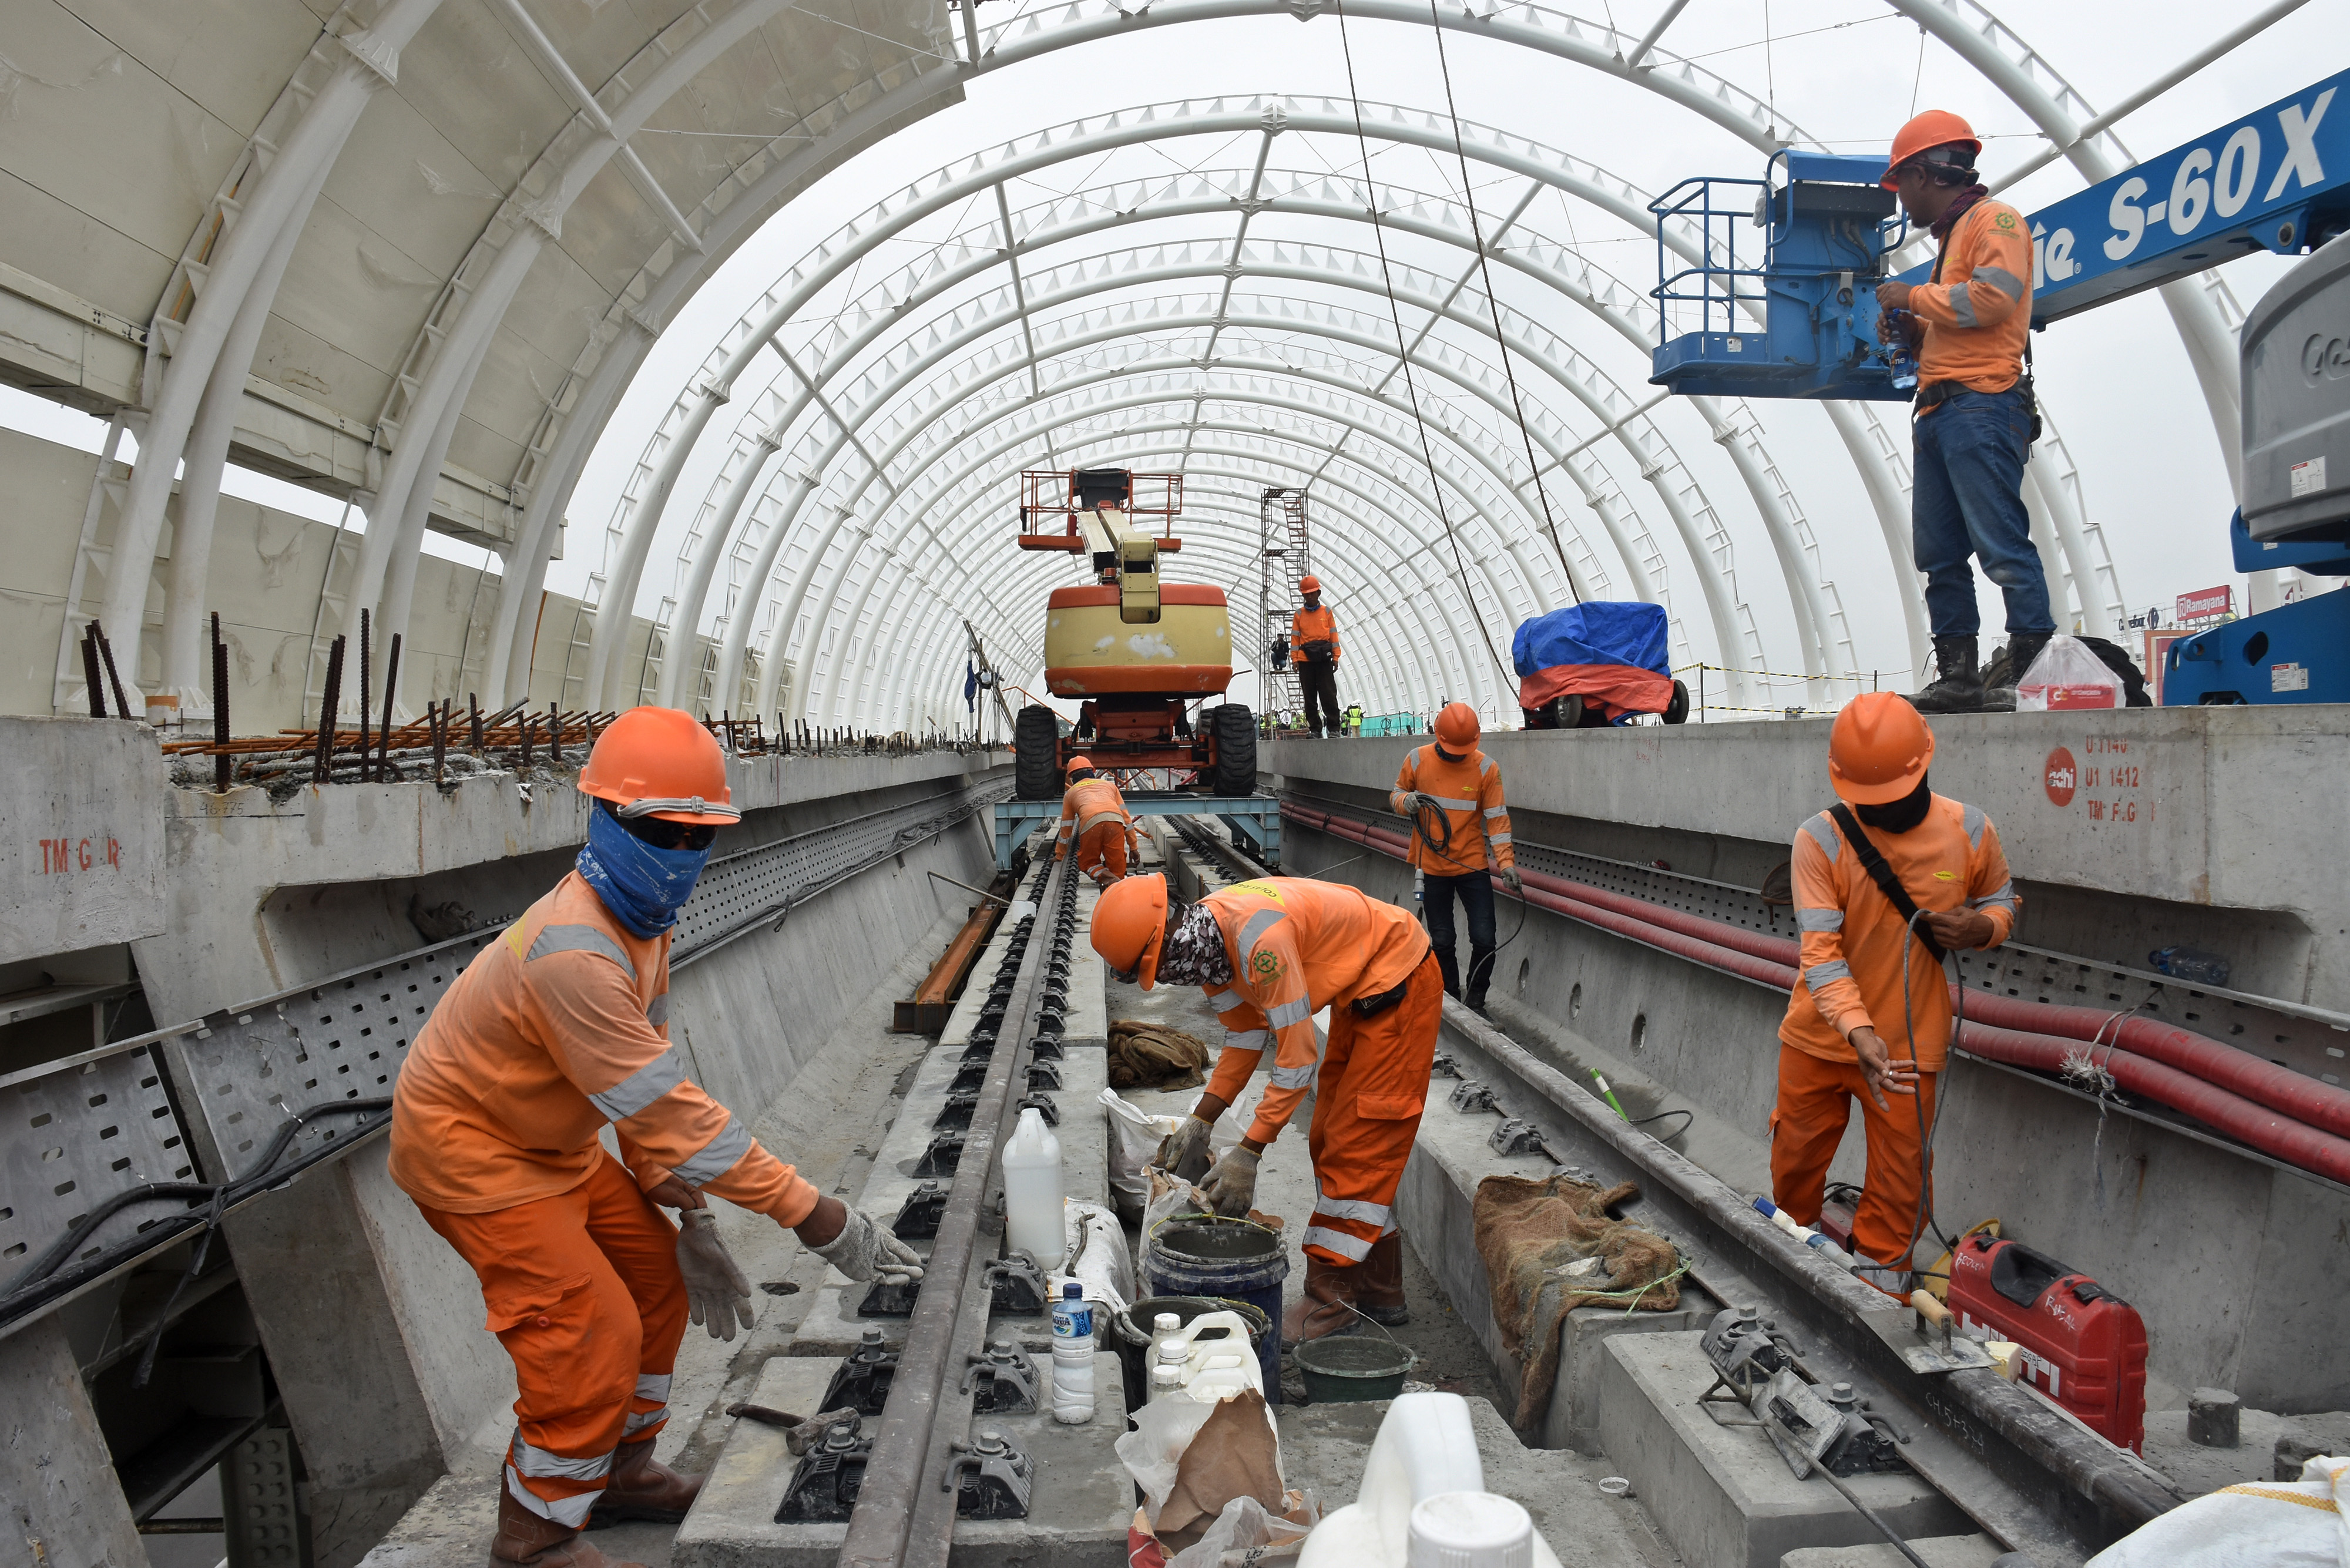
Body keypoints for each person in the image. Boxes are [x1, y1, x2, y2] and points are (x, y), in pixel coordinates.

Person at [387, 707, 923, 1568]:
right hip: (476, 1153)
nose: (678, 853)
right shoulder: (574, 953)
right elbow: (674, 1109)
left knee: (654, 1285)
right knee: (587, 1333)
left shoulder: (643, 923)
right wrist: (816, 1216)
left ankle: (621, 1474)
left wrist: (685, 1210)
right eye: (658, 830)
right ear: (599, 816)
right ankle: (535, 1536)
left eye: (694, 836)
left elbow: (644, 1080)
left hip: (553, 1145)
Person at [1091, 872, 1440, 1342]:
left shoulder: (1261, 945)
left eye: (1159, 967)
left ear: (1171, 938)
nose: (1168, 978)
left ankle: (1330, 1299)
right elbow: (1246, 1037)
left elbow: (1296, 1060)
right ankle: (1381, 1289)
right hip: (1366, 987)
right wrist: (1202, 1118)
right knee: (1329, 1136)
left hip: (1399, 979)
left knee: (1358, 1141)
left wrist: (1249, 1152)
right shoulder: (1210, 945)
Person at [1772, 694, 2019, 1296]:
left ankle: (1880, 1296)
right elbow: (1821, 955)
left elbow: (2002, 900)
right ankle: (1791, 1263)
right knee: (1795, 1165)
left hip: (1909, 1046)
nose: (1880, 811)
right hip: (1820, 1037)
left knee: (1900, 1186)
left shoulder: (1968, 830)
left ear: (1924, 765)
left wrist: (1981, 928)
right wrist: (1858, 1030)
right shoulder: (1819, 840)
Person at [1875, 110, 2052, 714]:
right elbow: (1959, 320)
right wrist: (1912, 328)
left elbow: (1994, 298)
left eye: (1903, 187)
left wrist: (1911, 296)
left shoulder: (1994, 221)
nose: (1903, 203)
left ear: (1923, 174)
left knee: (2001, 542)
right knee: (1939, 554)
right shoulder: (1953, 240)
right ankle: (1958, 677)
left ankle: (2031, 673)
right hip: (1938, 410)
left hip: (1981, 402)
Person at [1390, 702, 1520, 1013]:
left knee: (1485, 938)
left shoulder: (1486, 769)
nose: (1458, 755)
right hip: (1432, 867)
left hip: (1471, 865)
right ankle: (1448, 998)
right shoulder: (1417, 759)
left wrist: (1506, 864)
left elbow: (1498, 822)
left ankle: (1476, 1002)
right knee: (1443, 940)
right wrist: (1406, 801)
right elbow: (1395, 794)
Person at [1054, 755, 1140, 887]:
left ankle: (1110, 879)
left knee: (1088, 864)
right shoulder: (1109, 786)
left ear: (1072, 777)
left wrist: (1059, 855)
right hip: (1115, 822)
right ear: (1093, 771)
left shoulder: (1070, 793)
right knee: (1118, 867)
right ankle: (1118, 888)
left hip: (1091, 824)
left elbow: (1066, 827)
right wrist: (1134, 847)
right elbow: (1127, 819)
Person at [1291, 576, 1343, 738]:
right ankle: (1315, 729)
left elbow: (1333, 635)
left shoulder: (1327, 612)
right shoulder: (1299, 615)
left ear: (1319, 593)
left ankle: (1334, 728)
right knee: (1310, 696)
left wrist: (1336, 657)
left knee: (1328, 694)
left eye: (1313, 593)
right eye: (1307, 594)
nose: (1310, 597)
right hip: (1306, 660)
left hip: (1324, 660)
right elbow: (1295, 639)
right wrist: (1295, 659)